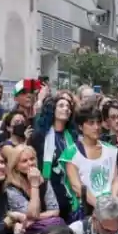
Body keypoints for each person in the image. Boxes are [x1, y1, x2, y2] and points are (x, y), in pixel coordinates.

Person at [61, 107, 118, 214]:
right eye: (91, 123)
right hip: (86, 209)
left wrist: (113, 202)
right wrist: (100, 207)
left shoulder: (110, 149)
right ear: (80, 126)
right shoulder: (71, 153)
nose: (96, 127)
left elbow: (115, 179)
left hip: (111, 207)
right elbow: (77, 187)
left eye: (98, 122)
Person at [33, 90, 78, 219]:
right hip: (47, 190)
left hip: (69, 191)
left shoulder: (73, 137)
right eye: (61, 106)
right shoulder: (40, 135)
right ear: (52, 110)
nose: (66, 109)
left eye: (68, 107)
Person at [4, 143, 62, 226]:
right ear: (16, 166)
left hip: (48, 224)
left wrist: (34, 218)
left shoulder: (44, 181)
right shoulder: (11, 188)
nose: (30, 163)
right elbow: (32, 214)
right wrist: (34, 184)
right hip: (26, 231)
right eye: (24, 161)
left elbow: (55, 211)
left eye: (32, 159)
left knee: (59, 223)